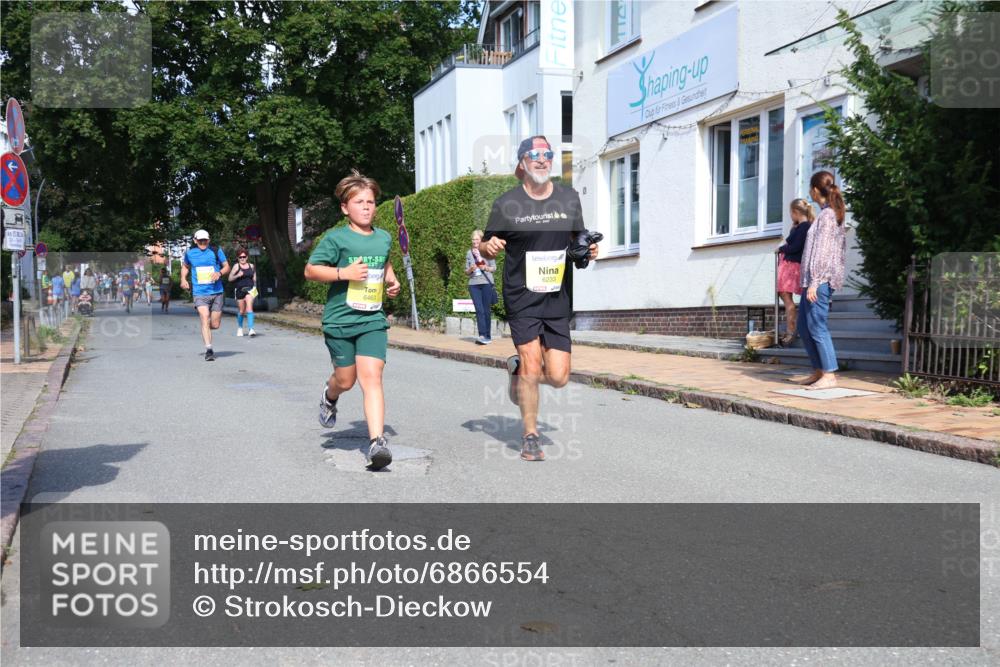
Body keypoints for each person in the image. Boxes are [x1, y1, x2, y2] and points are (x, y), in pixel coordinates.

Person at [481, 136, 599, 462]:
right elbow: (486, 244)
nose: (543, 160)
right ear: (522, 163)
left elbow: (579, 240)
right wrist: (487, 247)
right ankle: (530, 436)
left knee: (559, 377)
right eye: (535, 154)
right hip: (522, 296)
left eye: (548, 154)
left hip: (557, 297)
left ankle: (516, 373)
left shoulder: (569, 199)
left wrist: (587, 250)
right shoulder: (506, 204)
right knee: (533, 367)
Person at [304, 170, 401, 470]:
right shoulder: (336, 239)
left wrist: (392, 281)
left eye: (370, 202)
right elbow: (310, 270)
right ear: (346, 208)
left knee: (372, 377)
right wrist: (342, 274)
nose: (366, 207)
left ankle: (377, 443)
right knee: (346, 379)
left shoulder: (383, 238)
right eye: (359, 202)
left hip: (372, 319)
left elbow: (383, 263)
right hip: (340, 321)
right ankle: (329, 395)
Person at [795, 170, 848, 390]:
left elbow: (824, 251)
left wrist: (816, 281)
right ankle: (818, 371)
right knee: (804, 327)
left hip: (820, 281)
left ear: (816, 190)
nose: (809, 193)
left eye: (810, 188)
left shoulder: (827, 216)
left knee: (817, 326)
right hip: (813, 281)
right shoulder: (826, 214)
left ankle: (829, 374)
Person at [180, 229, 230, 361]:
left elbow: (226, 267)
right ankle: (209, 349)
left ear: (209, 240)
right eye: (200, 240)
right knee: (204, 317)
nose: (203, 242)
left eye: (205, 240)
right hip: (199, 293)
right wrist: (183, 279)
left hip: (217, 291)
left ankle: (206, 329)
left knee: (215, 324)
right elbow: (185, 267)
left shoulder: (215, 250)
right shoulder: (190, 253)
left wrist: (219, 273)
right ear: (195, 241)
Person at [776, 199, 815, 346]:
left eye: (790, 213)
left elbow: (795, 247)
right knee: (785, 296)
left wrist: (781, 249)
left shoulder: (804, 227)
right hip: (789, 265)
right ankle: (791, 328)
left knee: (787, 298)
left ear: (795, 212)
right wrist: (793, 229)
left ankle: (791, 330)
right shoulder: (801, 227)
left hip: (791, 266)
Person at [465, 230, 498, 345]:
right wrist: (471, 269)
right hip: (473, 284)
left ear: (481, 240)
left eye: (477, 239)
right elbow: (466, 271)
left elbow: (494, 268)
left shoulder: (487, 251)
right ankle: (482, 335)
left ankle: (488, 336)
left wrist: (485, 268)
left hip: (486, 283)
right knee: (479, 310)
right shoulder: (469, 253)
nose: (474, 241)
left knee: (486, 310)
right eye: (473, 239)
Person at [228, 247, 258, 337]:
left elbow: (254, 278)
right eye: (240, 257)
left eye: (244, 257)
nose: (242, 259)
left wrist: (254, 287)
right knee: (241, 311)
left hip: (250, 289)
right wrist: (237, 275)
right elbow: (230, 279)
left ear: (247, 257)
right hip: (240, 290)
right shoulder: (236, 266)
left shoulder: (251, 266)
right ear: (238, 258)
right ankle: (240, 328)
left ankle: (251, 329)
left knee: (249, 308)